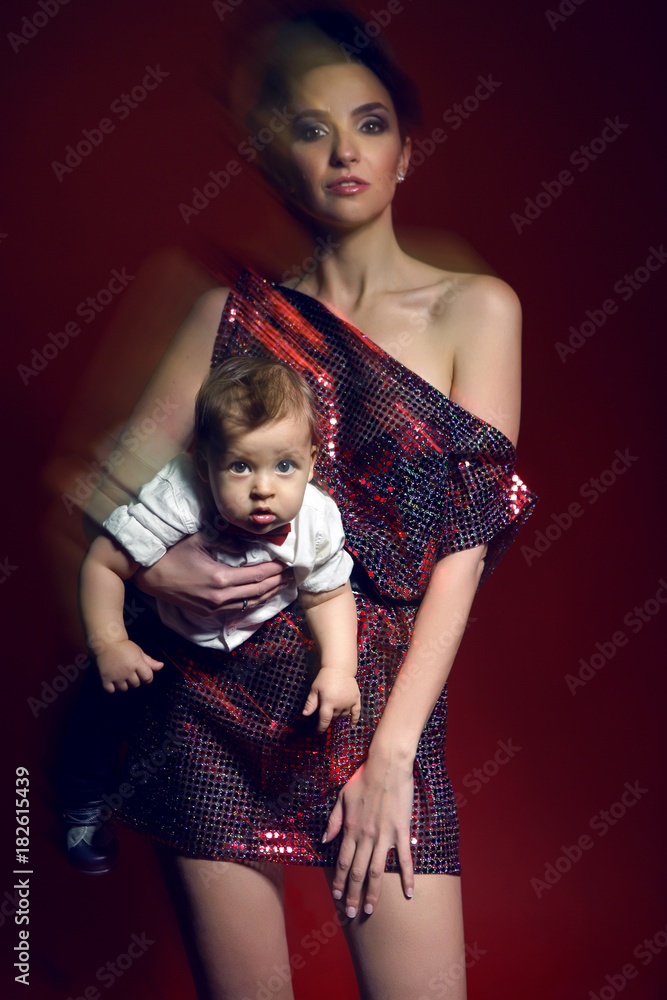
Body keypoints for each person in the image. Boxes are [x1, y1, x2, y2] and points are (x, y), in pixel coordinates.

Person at [72, 9, 538, 998]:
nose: (342, 152)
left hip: (372, 709)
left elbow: (464, 547)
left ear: (407, 152)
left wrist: (393, 752)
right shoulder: (227, 314)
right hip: (207, 714)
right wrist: (156, 572)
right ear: (273, 155)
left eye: (368, 124)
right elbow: (106, 496)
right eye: (310, 127)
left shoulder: (476, 310)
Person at [79, 356, 359, 739]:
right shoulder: (178, 499)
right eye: (241, 467)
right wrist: (110, 643)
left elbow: (328, 596)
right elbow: (103, 564)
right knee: (105, 712)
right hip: (166, 634)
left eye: (284, 466)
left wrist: (340, 670)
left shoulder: (317, 519)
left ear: (311, 464)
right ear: (204, 466)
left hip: (258, 649)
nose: (263, 489)